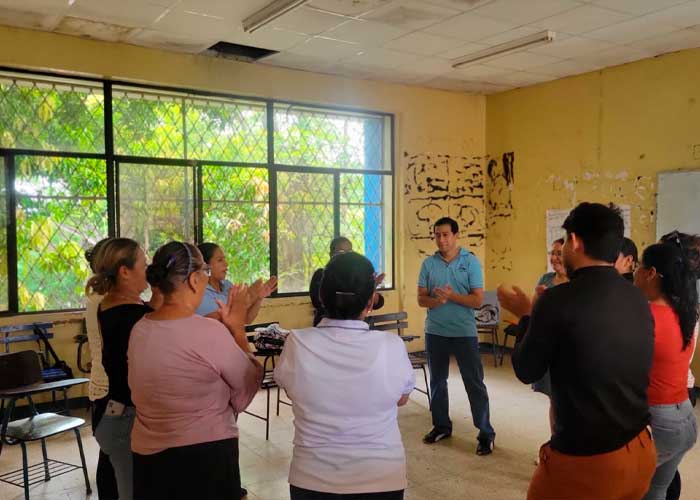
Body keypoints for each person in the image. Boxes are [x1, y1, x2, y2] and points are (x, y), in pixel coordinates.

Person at [498, 202, 656, 500]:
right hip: (641, 449)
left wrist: (525, 315)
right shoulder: (636, 296)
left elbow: (526, 369)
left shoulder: (557, 300)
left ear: (574, 241)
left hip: (589, 463)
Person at [129, 241, 263, 500]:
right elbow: (247, 385)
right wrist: (236, 328)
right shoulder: (207, 331)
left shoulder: (140, 329)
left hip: (149, 460)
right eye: (205, 271)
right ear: (194, 279)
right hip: (204, 457)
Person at [275, 252, 414, 500]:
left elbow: (291, 391)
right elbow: (401, 399)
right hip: (381, 476)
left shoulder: (297, 343)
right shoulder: (391, 345)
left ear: (320, 296)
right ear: (370, 303)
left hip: (312, 478)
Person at [87, 238, 159, 500]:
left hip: (114, 411)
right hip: (121, 413)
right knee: (130, 489)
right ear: (125, 271)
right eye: (143, 263)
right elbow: (158, 318)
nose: (148, 270)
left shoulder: (122, 305)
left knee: (122, 482)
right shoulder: (127, 314)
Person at [417, 216, 495, 455]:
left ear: (456, 236)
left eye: (446, 235)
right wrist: (436, 300)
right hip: (435, 332)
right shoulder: (428, 264)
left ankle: (485, 433)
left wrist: (450, 297)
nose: (441, 239)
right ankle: (441, 426)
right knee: (438, 381)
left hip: (464, 333)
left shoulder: (470, 262)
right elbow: (421, 299)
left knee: (474, 382)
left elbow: (477, 299)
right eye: (437, 235)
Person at [633, 242, 698, 500]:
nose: (635, 273)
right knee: (656, 490)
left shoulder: (644, 315)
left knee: (619, 487)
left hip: (659, 422)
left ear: (650, 273)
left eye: (638, 266)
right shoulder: (684, 312)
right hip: (685, 417)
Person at [658, 231, 700, 500]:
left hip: (667, 400)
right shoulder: (687, 304)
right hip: (683, 396)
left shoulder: (661, 310)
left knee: (654, 476)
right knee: (665, 475)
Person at [84, 238, 118, 500]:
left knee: (110, 457)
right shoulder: (107, 301)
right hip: (110, 388)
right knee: (112, 459)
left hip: (104, 387)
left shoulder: (101, 297)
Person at [531, 238, 567, 453]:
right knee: (555, 400)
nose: (554, 258)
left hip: (571, 351)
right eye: (552, 253)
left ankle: (567, 447)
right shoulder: (546, 279)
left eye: (559, 253)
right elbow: (533, 311)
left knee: (570, 402)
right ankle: (555, 445)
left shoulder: (578, 281)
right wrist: (538, 297)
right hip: (550, 349)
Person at [309, 237, 384, 326]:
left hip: (354, 329)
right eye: (341, 252)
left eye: (350, 252)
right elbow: (317, 302)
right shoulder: (321, 275)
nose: (346, 256)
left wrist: (371, 286)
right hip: (326, 327)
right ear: (331, 254)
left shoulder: (357, 276)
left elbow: (378, 303)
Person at [196, 242, 277, 320]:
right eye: (220, 260)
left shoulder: (228, 285)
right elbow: (218, 317)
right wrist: (250, 297)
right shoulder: (200, 292)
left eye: (224, 259)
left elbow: (246, 319)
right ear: (205, 266)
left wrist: (259, 297)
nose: (226, 264)